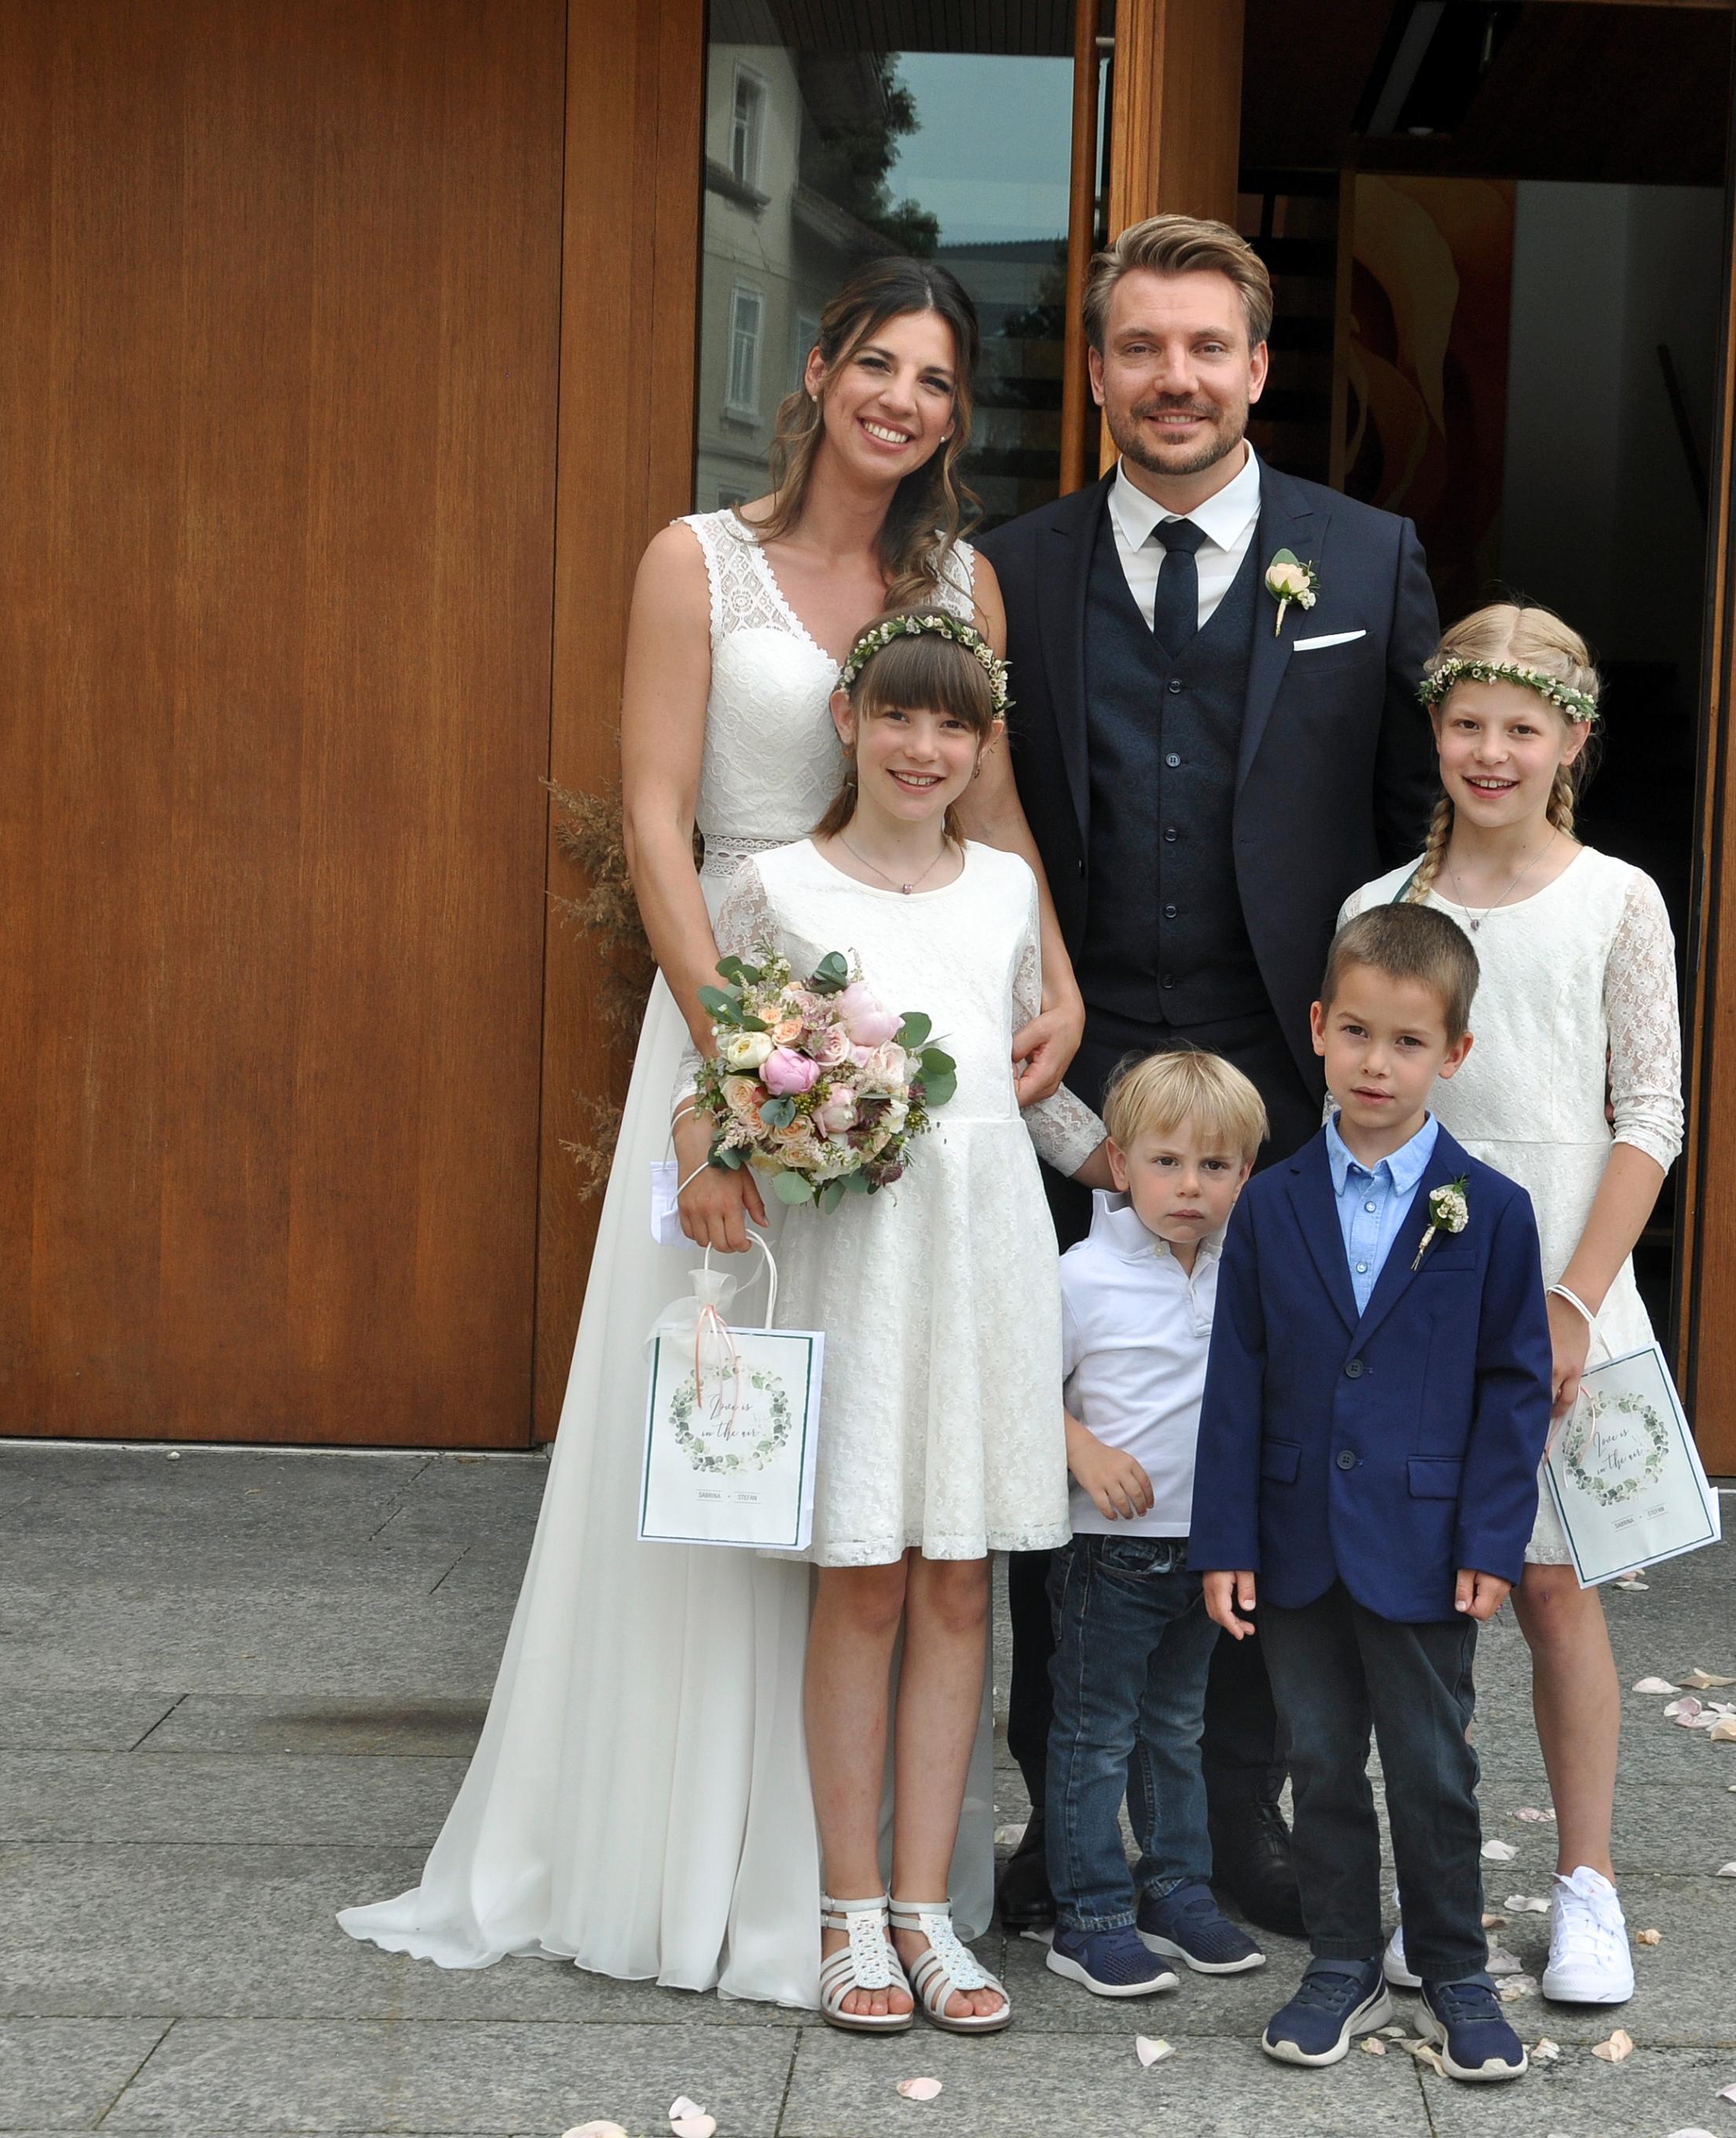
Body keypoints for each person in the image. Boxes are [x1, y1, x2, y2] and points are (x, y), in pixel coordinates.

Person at [342, 259, 1076, 2008]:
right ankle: (705, 1867)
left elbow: (989, 803)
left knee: (889, 1472)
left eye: (935, 381)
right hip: (749, 1017)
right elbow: (660, 814)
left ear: (955, 415)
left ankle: (891, 1893)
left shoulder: (957, 583)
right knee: (746, 1426)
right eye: (876, 365)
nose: (900, 401)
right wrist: (746, 1051)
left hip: (924, 1015)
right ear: (815, 372)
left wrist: (1053, 973)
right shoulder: (694, 562)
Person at [974, 211, 1443, 1937]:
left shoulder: (1366, 558)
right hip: (1069, 1088)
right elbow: (978, 836)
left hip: (1289, 1111)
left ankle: (1240, 1831)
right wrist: (1061, 1119)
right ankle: (1065, 1829)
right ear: (1097, 374)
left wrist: (1364, 1092)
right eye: (1139, 347)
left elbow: (1411, 844)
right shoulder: (1010, 571)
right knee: (1067, 1469)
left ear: (1255, 367)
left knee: (1268, 1461)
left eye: (1205, 348)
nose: (1173, 378)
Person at [685, 608, 1107, 2031]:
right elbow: (718, 1073)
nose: (922, 748)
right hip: (860, 1261)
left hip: (987, 1260)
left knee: (958, 1583)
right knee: (864, 1575)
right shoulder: (775, 888)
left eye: (953, 725)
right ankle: (847, 1906)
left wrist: (1135, 1162)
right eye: (897, 716)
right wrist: (708, 1159)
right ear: (847, 721)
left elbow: (1020, 1079)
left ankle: (929, 1908)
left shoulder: (1005, 891)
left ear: (983, 746)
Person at [1347, 604, 1682, 2008]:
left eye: (1523, 729)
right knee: (1420, 1597)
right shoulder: (1380, 908)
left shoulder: (1617, 899)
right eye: (1468, 724)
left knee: (1552, 1581)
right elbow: (1362, 1108)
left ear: (1572, 741)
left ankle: (1587, 1884)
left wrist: (1572, 1301)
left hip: (1563, 1278)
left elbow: (1649, 1112)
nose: (1493, 752)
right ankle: (1434, 1892)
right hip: (1418, 1284)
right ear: (1435, 728)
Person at [1191, 905, 1554, 2082]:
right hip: (1294, 1537)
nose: (1376, 1063)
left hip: (1428, 1543)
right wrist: (1226, 1538)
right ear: (1317, 1028)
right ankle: (1341, 1960)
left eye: (1407, 1041)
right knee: (1319, 1760)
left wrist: (1492, 1539)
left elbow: (1513, 1389)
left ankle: (1453, 1969)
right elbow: (1238, 1378)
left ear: (1454, 1051)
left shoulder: (1490, 1211)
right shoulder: (1271, 1202)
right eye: (1355, 1032)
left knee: (1434, 1764)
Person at [1041, 1049, 1272, 2001]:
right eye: (1166, 1161)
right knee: (1096, 1732)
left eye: (1214, 1166)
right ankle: (1089, 1915)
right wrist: (1084, 1450)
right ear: (1119, 1162)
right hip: (1108, 1553)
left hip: (1206, 1549)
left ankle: (1176, 1887)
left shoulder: (1243, 1272)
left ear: (1244, 1175)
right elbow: (1016, 1384)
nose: (1188, 1186)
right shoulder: (1080, 1275)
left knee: (1177, 1726)